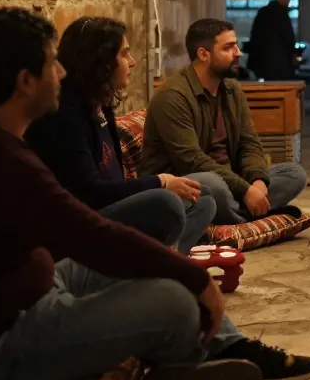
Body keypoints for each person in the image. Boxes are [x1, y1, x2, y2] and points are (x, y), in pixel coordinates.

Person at [0, 8, 310, 380]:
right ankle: (192, 364)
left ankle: (221, 352)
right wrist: (194, 277)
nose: (63, 73)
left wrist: (176, 268)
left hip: (35, 287)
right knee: (174, 300)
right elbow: (86, 230)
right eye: (54, 63)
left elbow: (82, 231)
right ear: (25, 81)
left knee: (162, 266)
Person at [26, 16, 217, 253]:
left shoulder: (100, 103)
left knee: (204, 198)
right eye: (124, 54)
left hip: (110, 210)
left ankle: (160, 260)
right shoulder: (65, 112)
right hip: (79, 224)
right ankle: (155, 263)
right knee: (165, 203)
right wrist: (161, 182)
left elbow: (116, 184)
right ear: (102, 62)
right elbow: (90, 193)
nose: (133, 62)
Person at [140, 18, 308, 225]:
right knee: (212, 185)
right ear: (203, 54)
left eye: (236, 45)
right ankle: (251, 214)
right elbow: (191, 160)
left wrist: (258, 181)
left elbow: (250, 144)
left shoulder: (232, 89)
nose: (238, 52)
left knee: (294, 173)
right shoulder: (173, 95)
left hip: (231, 180)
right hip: (187, 181)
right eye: (228, 47)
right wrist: (246, 190)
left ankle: (239, 212)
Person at [246, 0, 297, 81]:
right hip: (280, 61)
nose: (288, 1)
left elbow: (254, 35)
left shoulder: (263, 12)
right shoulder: (282, 13)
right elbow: (288, 35)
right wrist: (292, 53)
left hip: (262, 59)